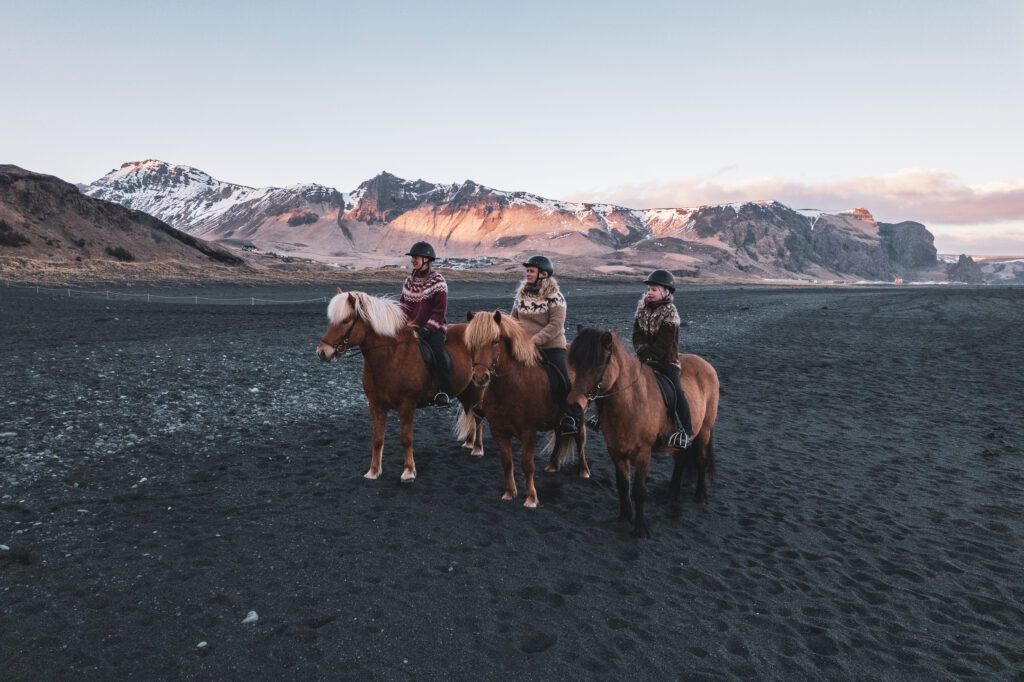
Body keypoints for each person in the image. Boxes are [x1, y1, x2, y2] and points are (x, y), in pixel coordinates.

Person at [511, 255, 575, 435]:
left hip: (551, 347)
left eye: (531, 271)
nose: (527, 274)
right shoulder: (521, 295)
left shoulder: (556, 297)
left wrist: (533, 341)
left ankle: (568, 416)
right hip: (523, 346)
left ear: (543, 274)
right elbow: (513, 320)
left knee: (562, 380)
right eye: (527, 271)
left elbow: (555, 326)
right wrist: (515, 339)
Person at [633, 269, 694, 448]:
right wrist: (641, 350)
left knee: (676, 391)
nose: (650, 292)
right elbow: (636, 334)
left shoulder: (670, 312)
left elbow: (665, 342)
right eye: (648, 289)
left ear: (666, 292)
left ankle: (686, 431)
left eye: (654, 289)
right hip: (643, 358)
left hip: (666, 361)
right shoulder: (641, 309)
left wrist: (651, 355)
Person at [399, 241, 452, 407]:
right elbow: (402, 306)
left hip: (433, 328)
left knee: (438, 353)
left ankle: (443, 392)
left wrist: (427, 329)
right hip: (410, 329)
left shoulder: (438, 281)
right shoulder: (408, 281)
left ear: (427, 259)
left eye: (416, 257)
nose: (413, 260)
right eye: (412, 257)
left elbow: (439, 311)